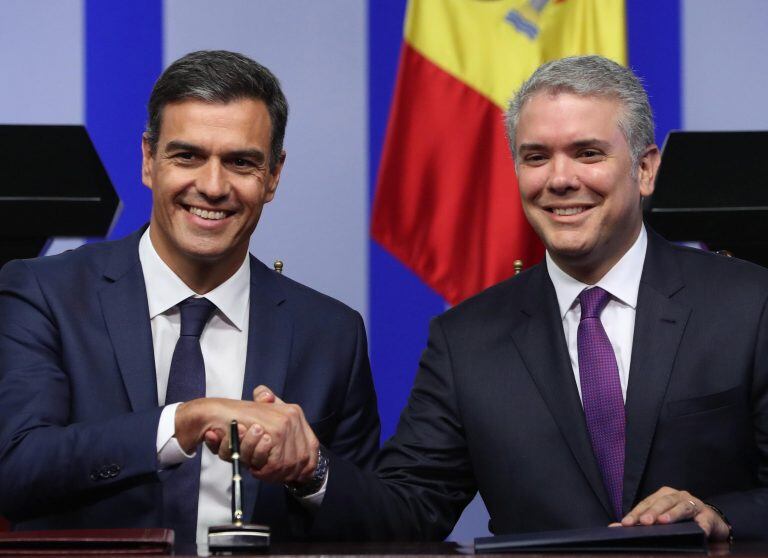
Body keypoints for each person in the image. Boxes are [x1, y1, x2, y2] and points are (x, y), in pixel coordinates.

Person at [248, 55, 768, 542]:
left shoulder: (749, 304)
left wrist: (719, 515)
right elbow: (408, 510)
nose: (560, 179)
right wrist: (310, 468)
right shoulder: (466, 339)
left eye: (588, 153)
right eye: (536, 157)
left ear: (646, 169)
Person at [0, 50, 379, 548]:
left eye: (241, 162)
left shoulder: (330, 332)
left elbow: (377, 527)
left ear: (274, 176)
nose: (213, 186)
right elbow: (16, 470)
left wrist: (309, 469)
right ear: (148, 160)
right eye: (188, 156)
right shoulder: (43, 294)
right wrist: (184, 421)